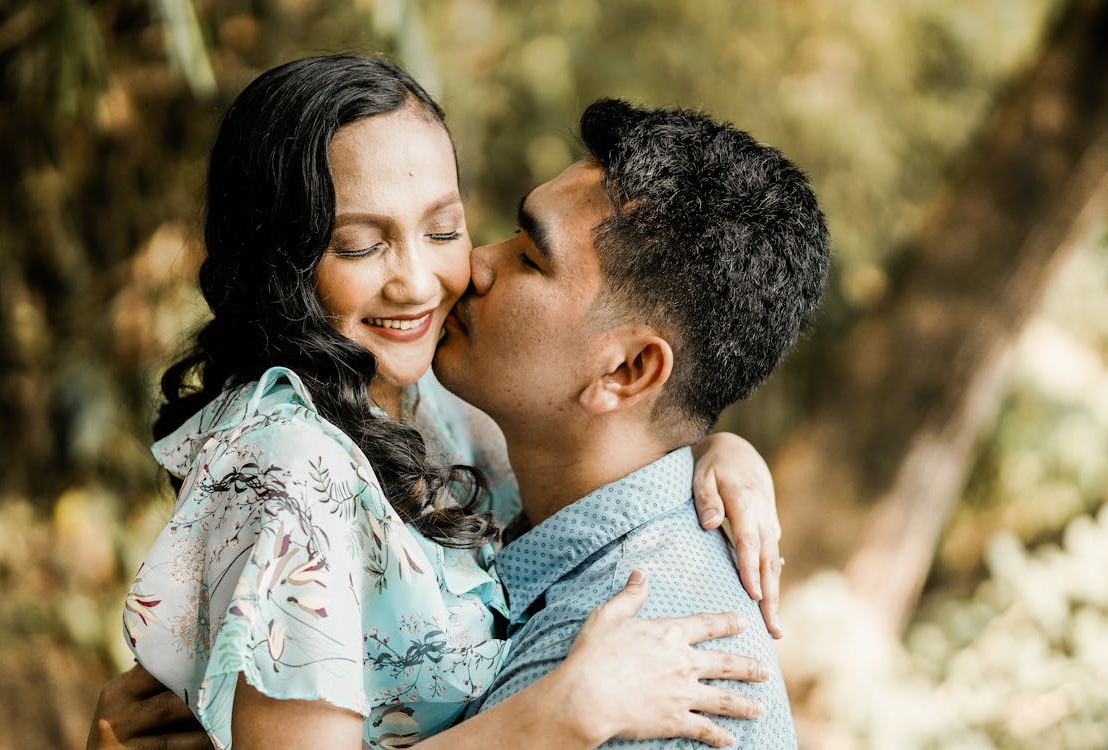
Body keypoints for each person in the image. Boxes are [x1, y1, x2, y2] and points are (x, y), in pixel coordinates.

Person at [91, 56, 786, 750]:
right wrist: (549, 719)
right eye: (361, 245)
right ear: (281, 264)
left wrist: (715, 452)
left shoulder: (436, 410)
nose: (428, 279)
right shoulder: (291, 463)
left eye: (445, 229)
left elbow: (611, 439)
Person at [435, 99, 831, 748]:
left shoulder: (631, 673)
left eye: (530, 259)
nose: (475, 263)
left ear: (626, 370)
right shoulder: (508, 467)